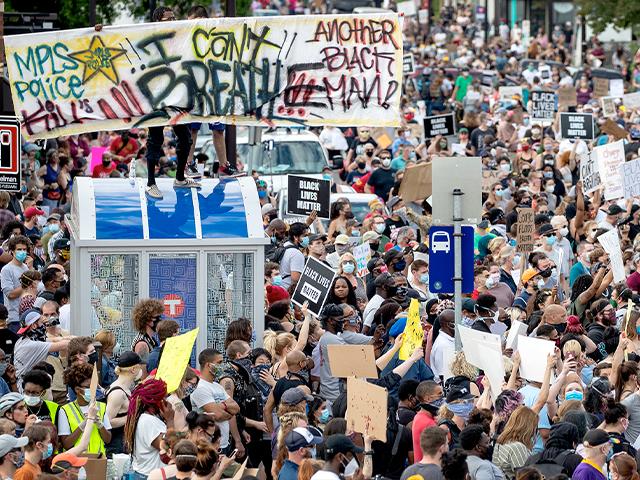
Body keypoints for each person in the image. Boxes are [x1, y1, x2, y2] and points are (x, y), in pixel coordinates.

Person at [142, 8, 201, 199]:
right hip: (157, 100)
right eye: (170, 19)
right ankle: (151, 183)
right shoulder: (148, 39)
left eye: (175, 18)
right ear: (158, 21)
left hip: (176, 97)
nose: (174, 21)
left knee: (186, 139)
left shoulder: (179, 38)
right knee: (155, 141)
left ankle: (180, 177)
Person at [190, 348, 240, 455]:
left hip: (224, 443)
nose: (222, 366)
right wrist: (227, 409)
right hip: (208, 446)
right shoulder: (200, 388)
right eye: (219, 363)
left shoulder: (217, 386)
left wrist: (221, 406)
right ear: (208, 365)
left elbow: (236, 408)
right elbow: (217, 416)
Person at [58, 363, 111, 453]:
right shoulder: (65, 410)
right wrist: (85, 423)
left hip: (97, 460)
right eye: (88, 387)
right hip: (75, 462)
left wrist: (100, 425)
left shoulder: (101, 407)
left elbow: (108, 439)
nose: (93, 389)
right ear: (78, 390)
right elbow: (66, 444)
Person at [105, 351, 145, 457]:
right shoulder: (117, 393)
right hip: (115, 446)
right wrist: (132, 416)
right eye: (139, 367)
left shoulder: (126, 389)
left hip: (123, 442)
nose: (141, 370)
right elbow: (108, 421)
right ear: (133, 369)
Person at [1, 236, 31, 332]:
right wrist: (28, 284)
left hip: (27, 317)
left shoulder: (26, 268)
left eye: (24, 249)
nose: (22, 252)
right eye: (19, 249)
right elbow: (10, 294)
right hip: (14, 319)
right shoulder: (7, 269)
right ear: (12, 251)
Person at [131, 298, 163, 363]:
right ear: (146, 319)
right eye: (156, 317)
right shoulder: (142, 343)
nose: (160, 320)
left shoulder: (152, 340)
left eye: (160, 317)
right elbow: (143, 369)